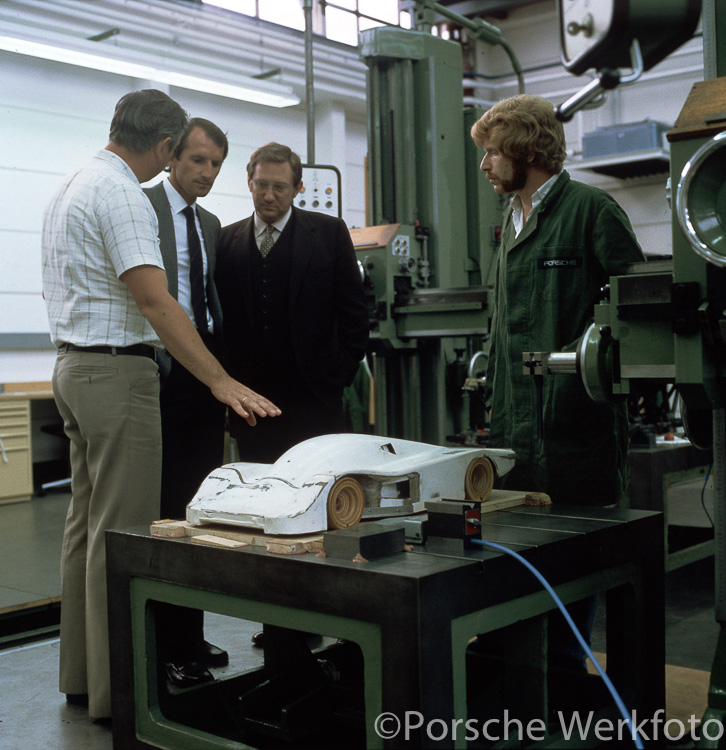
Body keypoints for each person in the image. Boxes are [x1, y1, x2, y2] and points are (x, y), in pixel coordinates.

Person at [42, 90, 280, 720]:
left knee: (87, 532)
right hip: (117, 375)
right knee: (123, 538)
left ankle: (83, 675)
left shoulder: (77, 182)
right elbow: (155, 301)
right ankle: (118, 695)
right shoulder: (122, 193)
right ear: (166, 146)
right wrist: (221, 381)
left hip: (73, 366)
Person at [470, 95, 645, 680]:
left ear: (525, 149)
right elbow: (503, 326)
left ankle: (568, 692)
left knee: (577, 568)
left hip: (577, 425)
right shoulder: (511, 220)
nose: (485, 164)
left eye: (493, 152)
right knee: (523, 565)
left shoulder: (591, 211)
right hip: (515, 429)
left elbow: (637, 314)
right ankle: (527, 694)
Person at [215, 142, 369, 464]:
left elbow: (354, 314)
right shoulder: (225, 241)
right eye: (262, 185)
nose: (269, 196)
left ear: (298, 188)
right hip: (252, 404)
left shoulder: (329, 233)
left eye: (280, 187)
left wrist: (335, 378)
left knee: (318, 486)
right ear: (249, 183)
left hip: (315, 400)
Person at [144, 118, 229, 688]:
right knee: (164, 514)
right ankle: (165, 645)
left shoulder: (212, 224)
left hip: (202, 380)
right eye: (198, 160)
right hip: (157, 379)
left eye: (216, 165)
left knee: (197, 511)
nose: (206, 173)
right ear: (171, 155)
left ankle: (188, 635)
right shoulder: (140, 205)